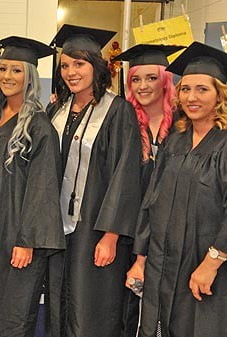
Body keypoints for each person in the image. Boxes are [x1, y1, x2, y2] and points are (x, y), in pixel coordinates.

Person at [46, 24, 142, 337]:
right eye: (65, 65)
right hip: (57, 230)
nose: (71, 72)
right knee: (60, 306)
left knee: (91, 310)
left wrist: (111, 235)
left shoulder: (117, 111)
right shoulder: (56, 110)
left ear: (96, 66)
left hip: (94, 229)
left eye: (79, 64)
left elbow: (124, 174)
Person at [132, 42, 227, 337]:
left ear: (220, 95)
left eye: (202, 89)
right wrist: (140, 259)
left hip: (207, 265)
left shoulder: (224, 144)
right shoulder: (175, 141)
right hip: (162, 264)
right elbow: (151, 201)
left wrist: (211, 263)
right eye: (185, 89)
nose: (191, 97)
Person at [0, 37, 65, 337]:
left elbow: (44, 188)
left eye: (16, 70)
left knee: (11, 315)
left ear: (29, 77)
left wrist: (27, 240)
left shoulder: (39, 127)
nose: (7, 77)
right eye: (2, 69)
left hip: (15, 237)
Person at [112, 44, 183, 336]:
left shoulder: (183, 126)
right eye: (136, 79)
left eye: (151, 78)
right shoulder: (124, 123)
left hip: (169, 230)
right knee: (127, 310)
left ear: (165, 81)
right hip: (129, 230)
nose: (143, 86)